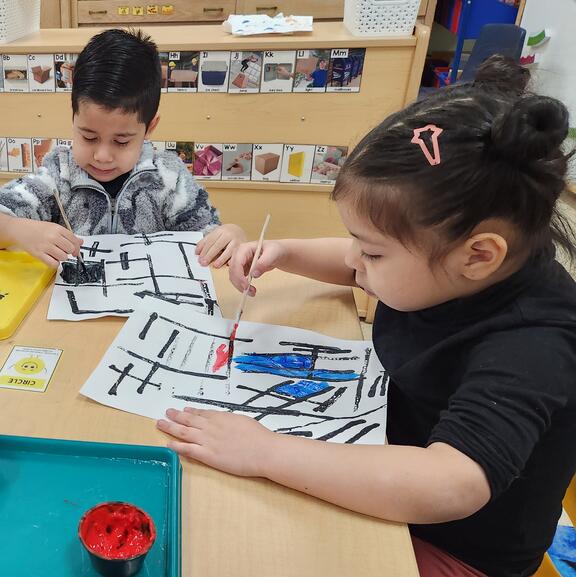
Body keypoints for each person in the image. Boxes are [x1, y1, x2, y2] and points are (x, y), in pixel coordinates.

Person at [158, 56, 576, 577]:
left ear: (478, 254)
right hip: (378, 450)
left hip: (452, 548)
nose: (355, 259)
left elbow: (451, 483)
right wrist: (285, 252)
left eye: (372, 251)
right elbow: (358, 264)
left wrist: (265, 452)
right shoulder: (456, 268)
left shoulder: (534, 342)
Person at [0, 28, 246, 269]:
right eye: (88, 137)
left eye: (121, 141)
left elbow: (209, 239)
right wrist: (18, 229)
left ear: (149, 128)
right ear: (74, 117)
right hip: (73, 305)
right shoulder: (59, 173)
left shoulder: (169, 179)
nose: (102, 156)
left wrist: (232, 235)